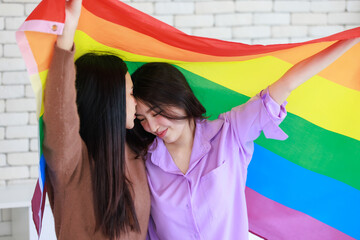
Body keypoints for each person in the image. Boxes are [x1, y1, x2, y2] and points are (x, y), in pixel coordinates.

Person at [127, 38, 360, 239]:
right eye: (142, 118)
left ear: (178, 97)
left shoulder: (229, 132)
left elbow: (287, 84)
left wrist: (350, 39)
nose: (152, 126)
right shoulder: (144, 161)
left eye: (157, 113)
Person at [42, 0, 150, 239]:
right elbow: (60, 114)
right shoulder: (71, 162)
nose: (136, 102)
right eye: (130, 93)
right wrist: (68, 31)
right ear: (109, 100)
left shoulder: (138, 151)